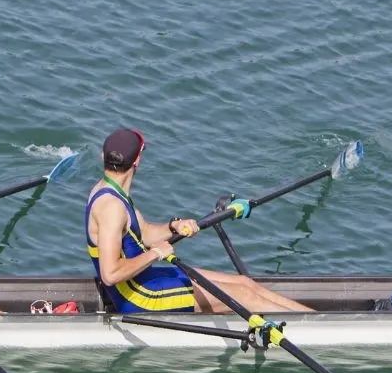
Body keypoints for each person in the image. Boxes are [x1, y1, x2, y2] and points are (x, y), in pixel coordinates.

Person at [84, 128, 312, 314]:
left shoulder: (111, 191)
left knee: (245, 284)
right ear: (138, 161)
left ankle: (314, 319)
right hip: (141, 297)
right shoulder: (111, 207)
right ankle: (318, 330)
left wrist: (173, 226)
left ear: (105, 158)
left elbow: (142, 233)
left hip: (144, 280)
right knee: (244, 297)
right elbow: (110, 273)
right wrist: (155, 254)